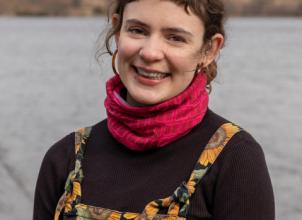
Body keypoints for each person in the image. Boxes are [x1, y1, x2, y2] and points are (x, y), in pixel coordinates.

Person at [33, 0, 275, 219]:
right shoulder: (64, 159)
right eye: (137, 30)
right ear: (118, 32)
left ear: (209, 50)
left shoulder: (236, 160)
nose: (150, 53)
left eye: (175, 37)